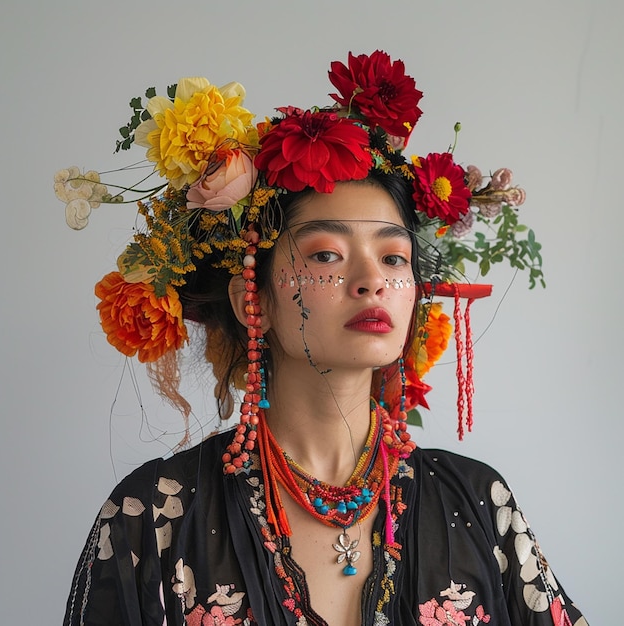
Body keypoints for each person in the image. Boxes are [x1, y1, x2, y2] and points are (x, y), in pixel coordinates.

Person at [57, 51, 587, 626]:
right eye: (327, 255)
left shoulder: (478, 504)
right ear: (251, 298)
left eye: (392, 257)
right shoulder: (153, 518)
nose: (371, 283)